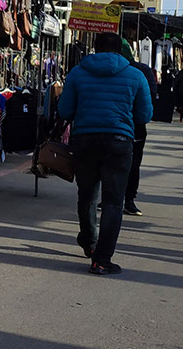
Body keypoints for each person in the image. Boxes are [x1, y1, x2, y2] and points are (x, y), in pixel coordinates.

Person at [58, 32, 153, 275]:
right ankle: (101, 259)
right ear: (120, 50)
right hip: (119, 142)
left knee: (87, 195)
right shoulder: (136, 75)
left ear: (95, 48)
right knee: (113, 202)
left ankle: (89, 243)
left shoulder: (78, 72)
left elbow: (65, 109)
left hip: (85, 140)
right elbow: (144, 116)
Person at [120, 40, 157, 216]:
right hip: (131, 128)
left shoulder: (141, 71)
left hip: (129, 127)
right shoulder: (143, 71)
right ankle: (124, 199)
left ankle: (125, 199)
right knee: (130, 165)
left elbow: (148, 98)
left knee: (129, 165)